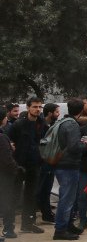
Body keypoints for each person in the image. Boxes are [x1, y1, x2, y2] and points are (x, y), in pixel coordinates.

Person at [6, 97, 48, 234]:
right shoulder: (18, 125)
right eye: (35, 106)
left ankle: (28, 223)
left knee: (31, 195)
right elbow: (8, 140)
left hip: (35, 164)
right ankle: (9, 226)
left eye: (39, 107)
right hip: (18, 165)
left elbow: (46, 141)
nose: (37, 109)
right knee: (14, 194)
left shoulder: (42, 124)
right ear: (28, 107)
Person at [52, 99, 87, 241]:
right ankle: (61, 229)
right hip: (68, 165)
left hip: (62, 164)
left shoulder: (63, 122)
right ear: (81, 110)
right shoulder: (72, 125)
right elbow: (74, 147)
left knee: (68, 197)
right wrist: (85, 145)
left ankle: (68, 224)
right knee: (66, 199)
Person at [36, 102, 61, 224]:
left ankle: (47, 214)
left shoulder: (53, 125)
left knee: (47, 188)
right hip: (42, 161)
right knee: (41, 188)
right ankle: (40, 214)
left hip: (51, 161)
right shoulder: (41, 125)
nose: (58, 114)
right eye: (56, 112)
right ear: (50, 113)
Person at [0, 107, 20, 242]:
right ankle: (8, 229)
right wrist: (17, 169)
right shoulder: (2, 137)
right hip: (4, 176)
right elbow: (6, 159)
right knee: (7, 203)